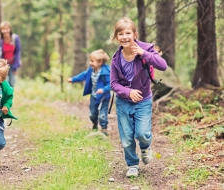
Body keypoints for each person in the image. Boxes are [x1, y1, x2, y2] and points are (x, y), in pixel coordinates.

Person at [110, 17, 167, 177]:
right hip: (123, 102)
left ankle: (145, 146)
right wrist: (128, 92)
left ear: (134, 34)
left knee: (142, 133)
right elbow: (114, 83)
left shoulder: (146, 48)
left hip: (143, 100)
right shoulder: (116, 59)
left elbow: (162, 65)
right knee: (127, 138)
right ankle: (132, 165)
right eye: (120, 34)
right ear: (116, 37)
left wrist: (144, 54)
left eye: (128, 33)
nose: (124, 37)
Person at [67, 49, 111, 135]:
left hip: (104, 97)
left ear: (100, 62)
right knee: (92, 114)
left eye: (92, 61)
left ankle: (104, 129)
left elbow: (111, 84)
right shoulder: (91, 70)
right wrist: (73, 79)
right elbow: (83, 75)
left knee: (102, 115)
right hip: (94, 96)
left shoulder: (106, 72)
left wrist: (103, 89)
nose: (90, 63)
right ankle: (94, 123)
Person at [0, 21, 21, 87]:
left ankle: (10, 97)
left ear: (10, 29)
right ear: (1, 30)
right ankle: (3, 97)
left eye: (7, 29)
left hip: (13, 63)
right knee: (4, 83)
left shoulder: (15, 38)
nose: (5, 31)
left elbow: (18, 52)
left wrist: (16, 66)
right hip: (3, 65)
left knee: (12, 83)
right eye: (3, 29)